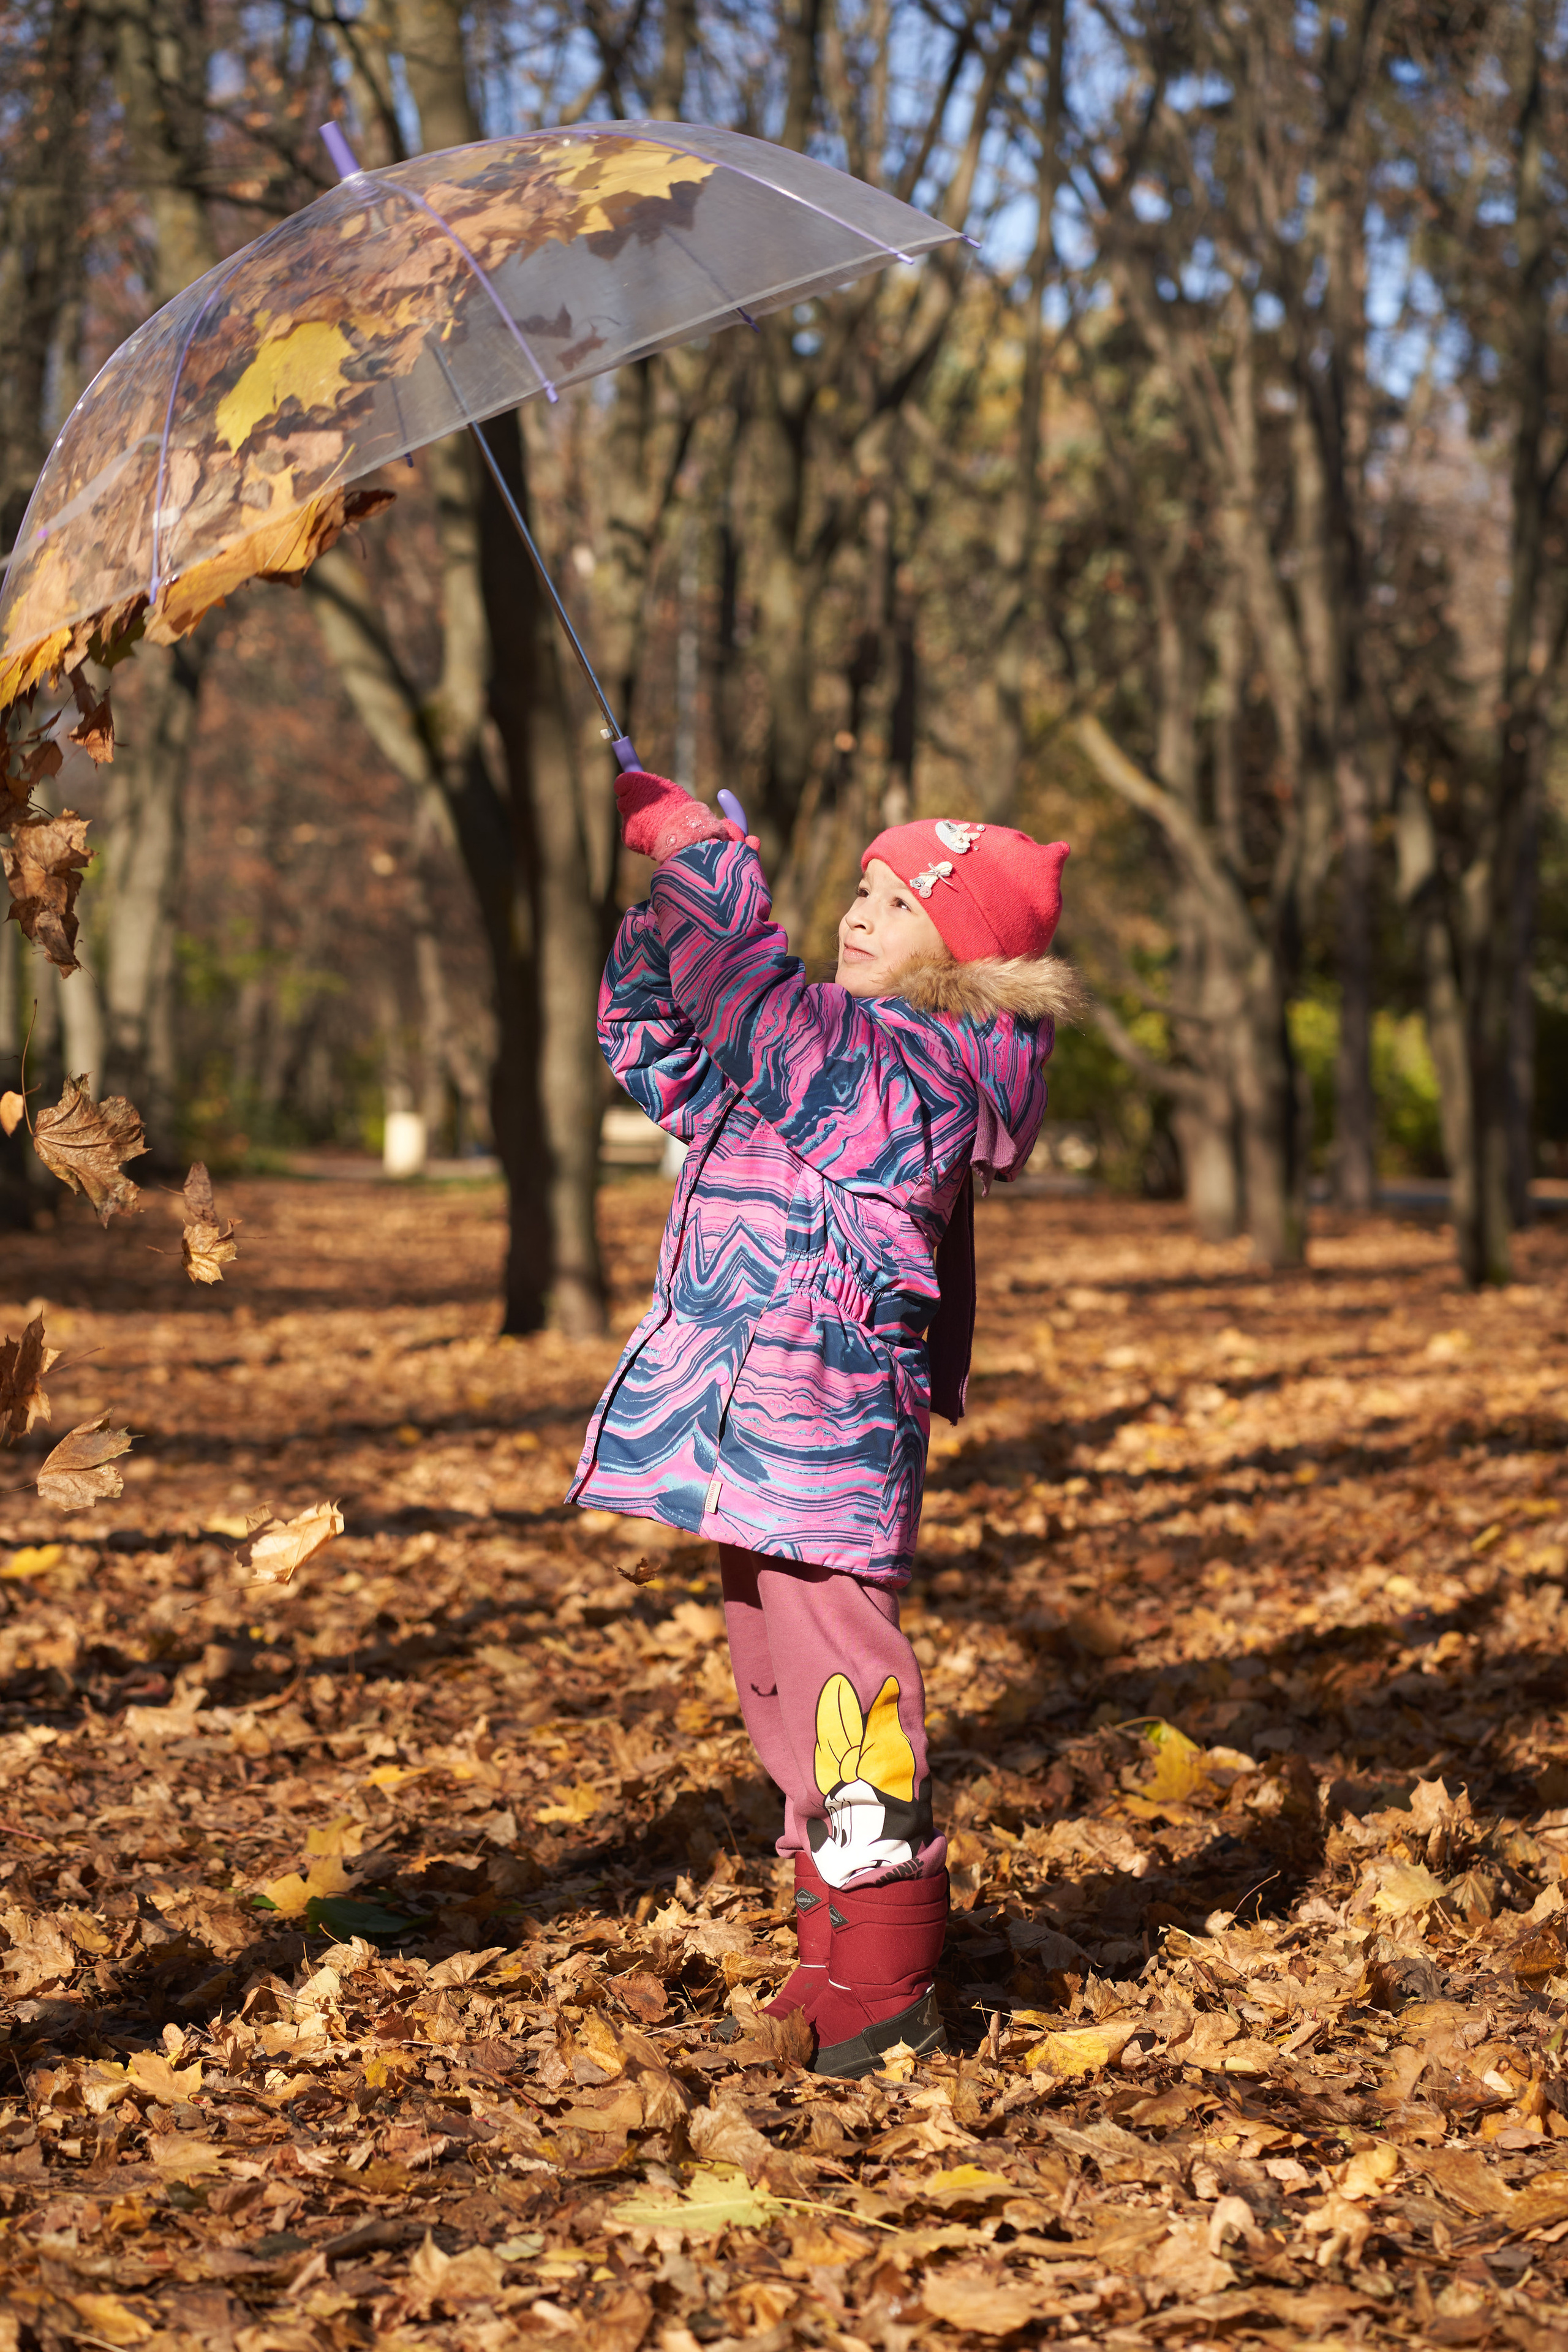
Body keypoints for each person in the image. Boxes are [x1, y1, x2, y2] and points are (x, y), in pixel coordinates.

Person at [568, 767, 1077, 2078]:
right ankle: (831, 1940)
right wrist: (668, 909)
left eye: (897, 905)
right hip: (747, 1431)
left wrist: (706, 868)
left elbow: (750, 1001)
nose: (858, 916)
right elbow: (663, 1041)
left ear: (961, 957)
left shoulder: (913, 1068)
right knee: (782, 1694)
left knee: (849, 1689)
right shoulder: (828, 1052)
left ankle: (891, 1967)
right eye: (859, 888)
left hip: (823, 1424)